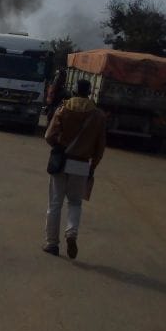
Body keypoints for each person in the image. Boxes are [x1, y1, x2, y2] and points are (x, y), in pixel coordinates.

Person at [43, 78, 106, 259]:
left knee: (55, 204)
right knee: (75, 203)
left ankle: (52, 243)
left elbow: (49, 136)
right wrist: (92, 167)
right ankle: (71, 233)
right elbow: (100, 148)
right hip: (81, 164)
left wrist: (58, 146)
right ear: (89, 92)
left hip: (62, 161)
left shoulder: (63, 108)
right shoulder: (98, 115)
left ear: (75, 90)